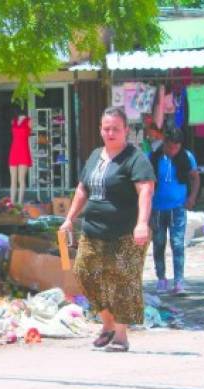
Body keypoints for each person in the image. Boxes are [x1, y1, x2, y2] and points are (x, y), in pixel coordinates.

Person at [60, 107, 155, 352]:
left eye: (115, 128)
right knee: (83, 272)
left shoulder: (135, 158)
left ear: (126, 131)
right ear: (100, 130)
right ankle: (107, 323)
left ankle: (121, 336)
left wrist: (142, 223)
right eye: (106, 128)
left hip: (126, 232)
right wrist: (70, 218)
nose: (110, 133)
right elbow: (83, 189)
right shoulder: (94, 156)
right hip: (93, 231)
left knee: (124, 280)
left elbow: (145, 190)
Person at [150, 128, 200, 295]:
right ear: (165, 142)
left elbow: (195, 177)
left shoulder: (187, 157)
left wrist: (192, 197)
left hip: (178, 208)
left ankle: (179, 281)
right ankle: (161, 278)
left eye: (176, 148)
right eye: (170, 147)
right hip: (157, 208)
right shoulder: (154, 157)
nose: (173, 151)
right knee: (158, 243)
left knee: (177, 244)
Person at [7, 106, 32, 204]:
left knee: (21, 179)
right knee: (12, 179)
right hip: (14, 150)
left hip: (24, 150)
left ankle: (20, 202)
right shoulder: (13, 121)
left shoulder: (29, 121)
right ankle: (12, 203)